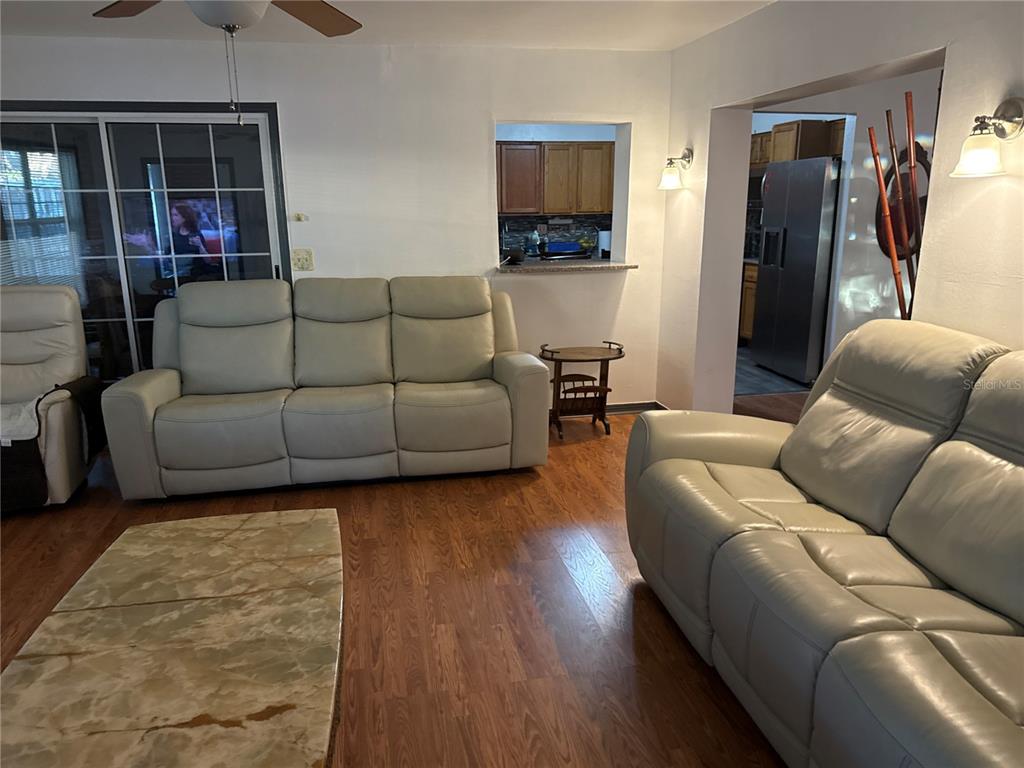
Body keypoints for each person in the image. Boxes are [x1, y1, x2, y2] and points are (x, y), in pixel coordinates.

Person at [123, 202, 209, 255]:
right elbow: (164, 260)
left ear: (185, 217)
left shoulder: (196, 234)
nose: (172, 218)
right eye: (171, 215)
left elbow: (208, 261)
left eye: (175, 215)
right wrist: (147, 245)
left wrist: (200, 246)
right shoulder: (172, 236)